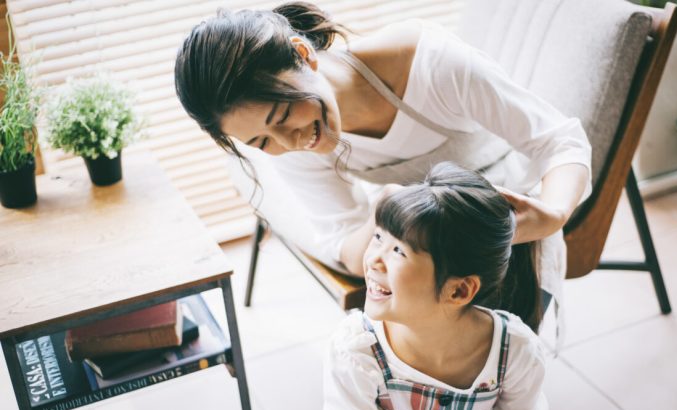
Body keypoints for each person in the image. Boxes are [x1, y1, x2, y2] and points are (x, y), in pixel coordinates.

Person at [174, 2, 592, 327]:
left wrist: (553, 215)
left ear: (303, 54)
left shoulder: (431, 65)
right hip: (427, 231)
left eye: (282, 117)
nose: (292, 142)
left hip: (508, 217)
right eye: (262, 141)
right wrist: (382, 214)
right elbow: (343, 239)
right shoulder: (294, 145)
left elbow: (560, 141)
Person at [321, 162, 551, 410]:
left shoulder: (514, 348)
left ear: (459, 290)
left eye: (398, 250)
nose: (373, 259)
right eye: (377, 238)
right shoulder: (355, 353)